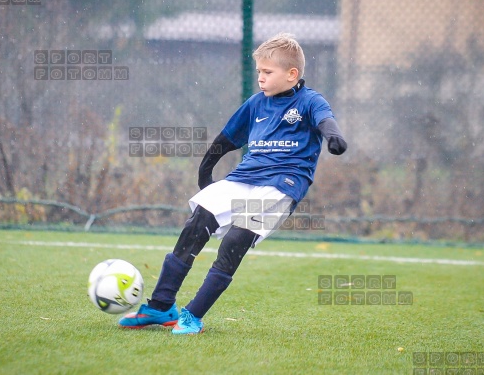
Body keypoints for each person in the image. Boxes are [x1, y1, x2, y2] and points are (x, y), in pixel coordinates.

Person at [119, 33, 347, 335]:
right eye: (259, 72)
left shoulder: (310, 101)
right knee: (196, 222)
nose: (261, 78)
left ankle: (193, 316)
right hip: (244, 177)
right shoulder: (256, 104)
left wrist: (333, 136)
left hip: (281, 185)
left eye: (268, 72)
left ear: (292, 74)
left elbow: (324, 120)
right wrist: (206, 169)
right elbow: (227, 138)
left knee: (234, 241)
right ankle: (161, 307)